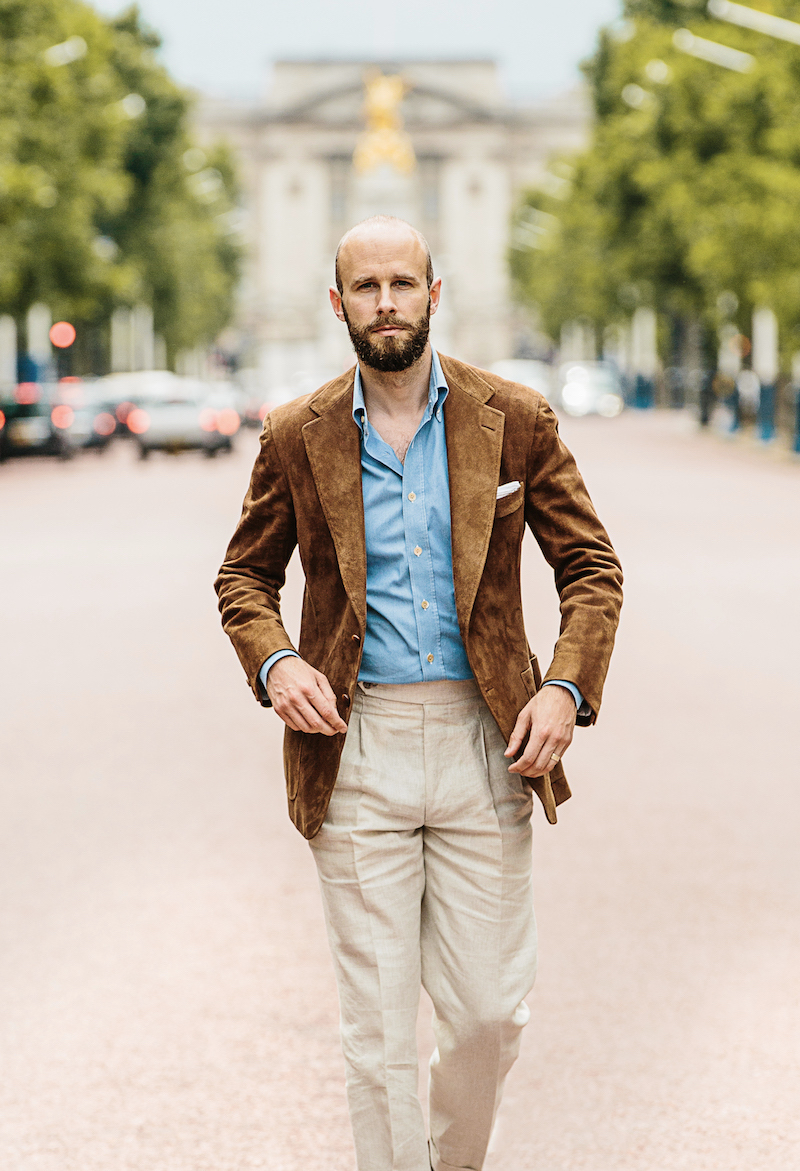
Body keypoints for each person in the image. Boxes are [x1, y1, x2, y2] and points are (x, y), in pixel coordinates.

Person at [215, 216, 623, 1171]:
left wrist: (565, 686)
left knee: (486, 1013)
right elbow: (243, 578)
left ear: (435, 295)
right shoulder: (294, 433)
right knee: (381, 1030)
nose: (387, 302)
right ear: (339, 303)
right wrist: (277, 663)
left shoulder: (514, 416)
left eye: (404, 284)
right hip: (355, 746)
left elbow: (592, 568)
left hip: (491, 740)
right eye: (367, 287)